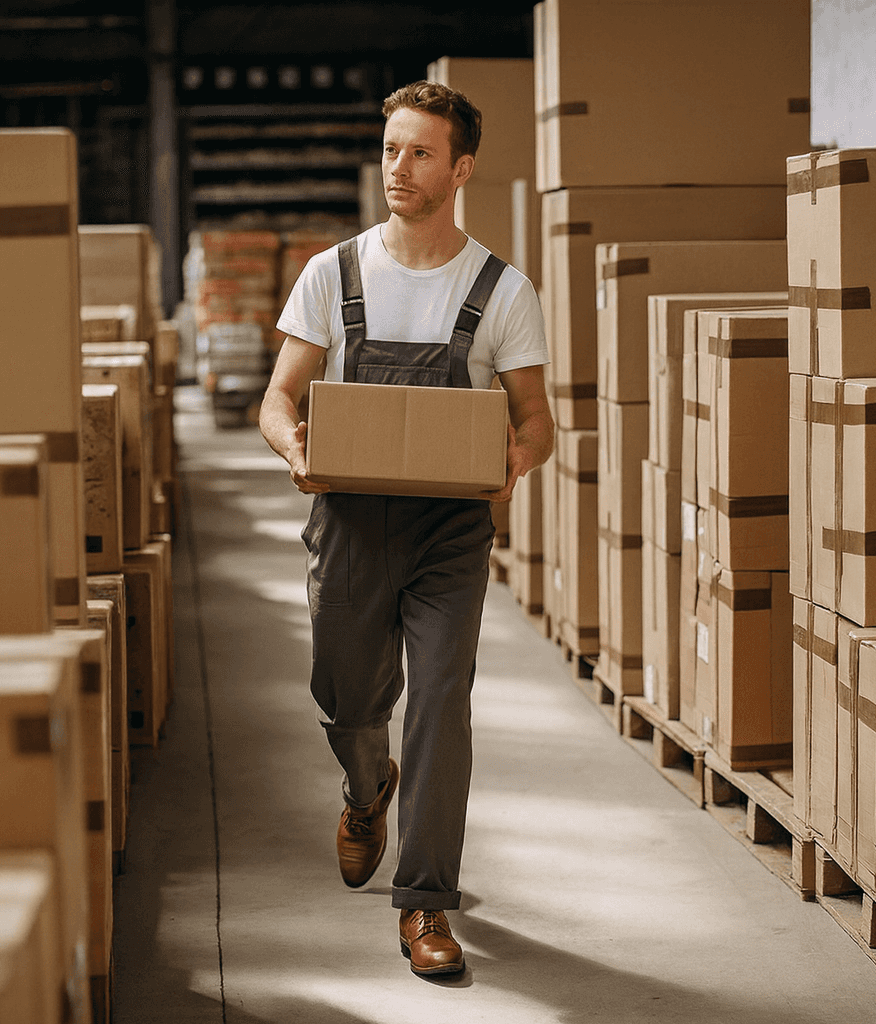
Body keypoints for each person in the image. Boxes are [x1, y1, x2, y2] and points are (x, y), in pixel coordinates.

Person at [259, 79, 554, 977]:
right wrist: (295, 450)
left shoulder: (501, 289)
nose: (399, 167)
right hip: (346, 517)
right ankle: (364, 787)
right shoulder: (334, 273)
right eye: (391, 148)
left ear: (460, 169)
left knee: (439, 707)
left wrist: (513, 458)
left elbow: (539, 420)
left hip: (449, 531)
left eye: (421, 152)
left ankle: (426, 905)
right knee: (347, 698)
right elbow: (277, 399)